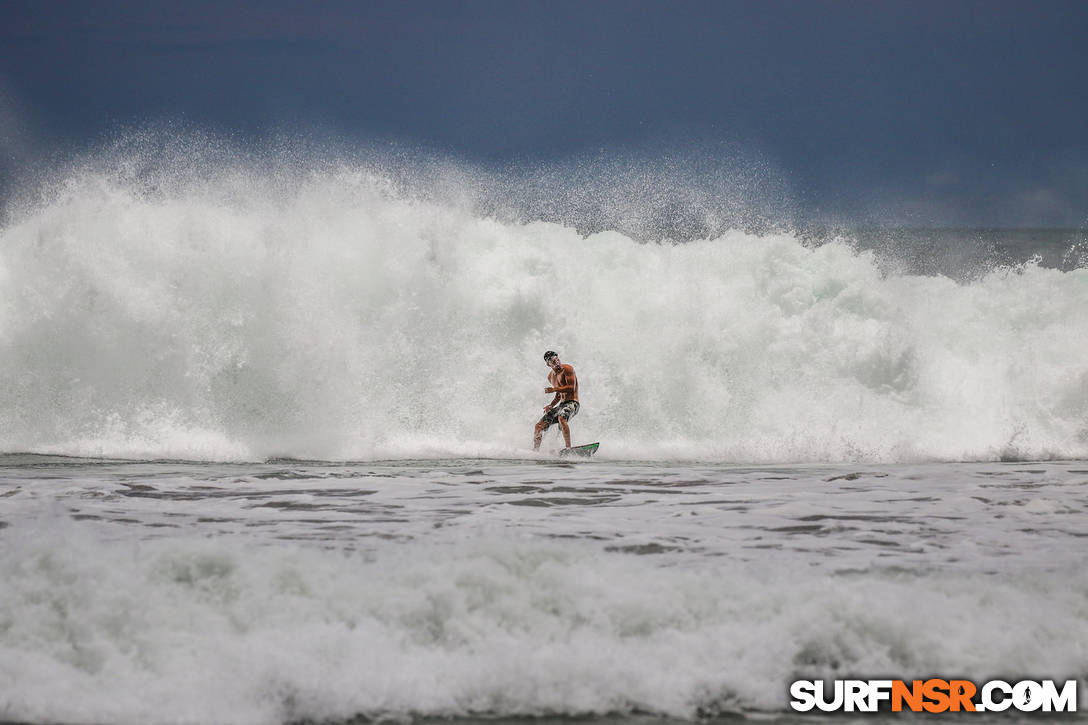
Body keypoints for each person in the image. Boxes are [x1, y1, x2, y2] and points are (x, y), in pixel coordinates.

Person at [534, 350, 579, 451]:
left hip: (573, 403)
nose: (557, 362)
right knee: (539, 426)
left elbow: (571, 388)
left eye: (557, 359)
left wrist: (553, 389)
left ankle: (568, 449)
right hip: (561, 405)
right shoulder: (550, 377)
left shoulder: (567, 369)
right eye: (553, 361)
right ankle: (535, 451)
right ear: (548, 364)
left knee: (561, 418)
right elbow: (559, 395)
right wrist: (551, 405)